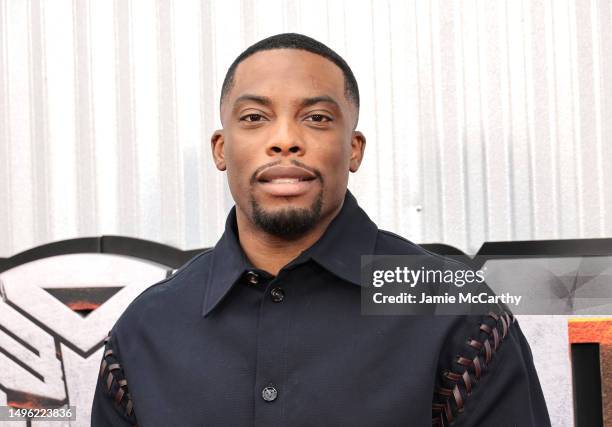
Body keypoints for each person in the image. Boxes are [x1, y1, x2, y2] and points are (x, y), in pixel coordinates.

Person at [91, 33, 551, 426]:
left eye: (316, 118)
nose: (285, 139)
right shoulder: (146, 329)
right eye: (254, 117)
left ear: (353, 149)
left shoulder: (453, 311)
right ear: (220, 149)